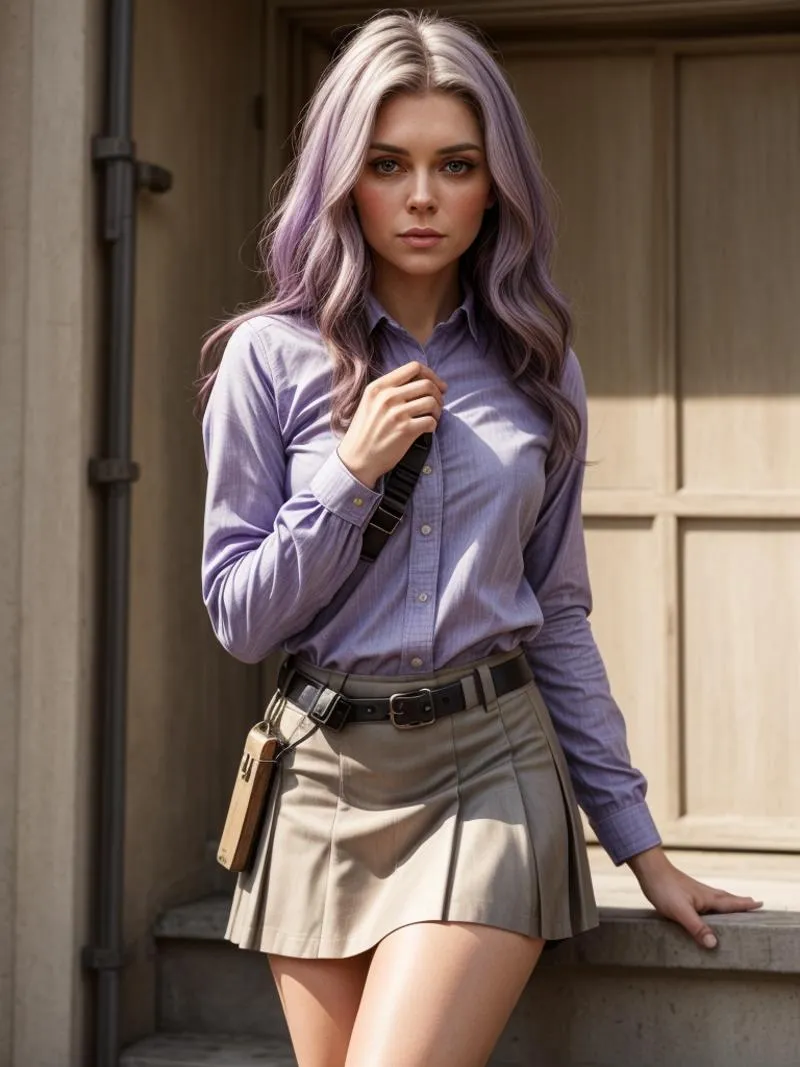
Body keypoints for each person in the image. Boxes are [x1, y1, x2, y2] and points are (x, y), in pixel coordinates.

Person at [196, 10, 762, 1067]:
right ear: (341, 177)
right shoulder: (266, 362)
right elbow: (240, 615)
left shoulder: (536, 365)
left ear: (493, 182)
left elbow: (559, 615)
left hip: (485, 771)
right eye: (386, 163)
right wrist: (346, 473)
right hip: (318, 777)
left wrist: (636, 843)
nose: (420, 196)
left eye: (454, 164)